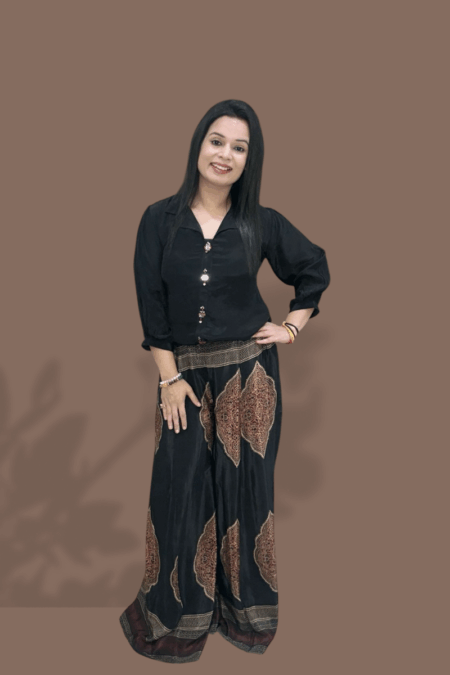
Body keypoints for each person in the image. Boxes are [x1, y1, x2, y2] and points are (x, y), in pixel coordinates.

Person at [119, 99, 331, 663]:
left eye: (240, 148)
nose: (225, 155)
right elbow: (152, 306)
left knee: (245, 497)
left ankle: (244, 617)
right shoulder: (158, 220)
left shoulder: (261, 222)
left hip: (249, 376)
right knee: (180, 493)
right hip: (182, 379)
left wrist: (291, 327)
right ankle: (178, 615)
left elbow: (313, 269)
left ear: (248, 160)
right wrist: (168, 381)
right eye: (217, 141)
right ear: (198, 144)